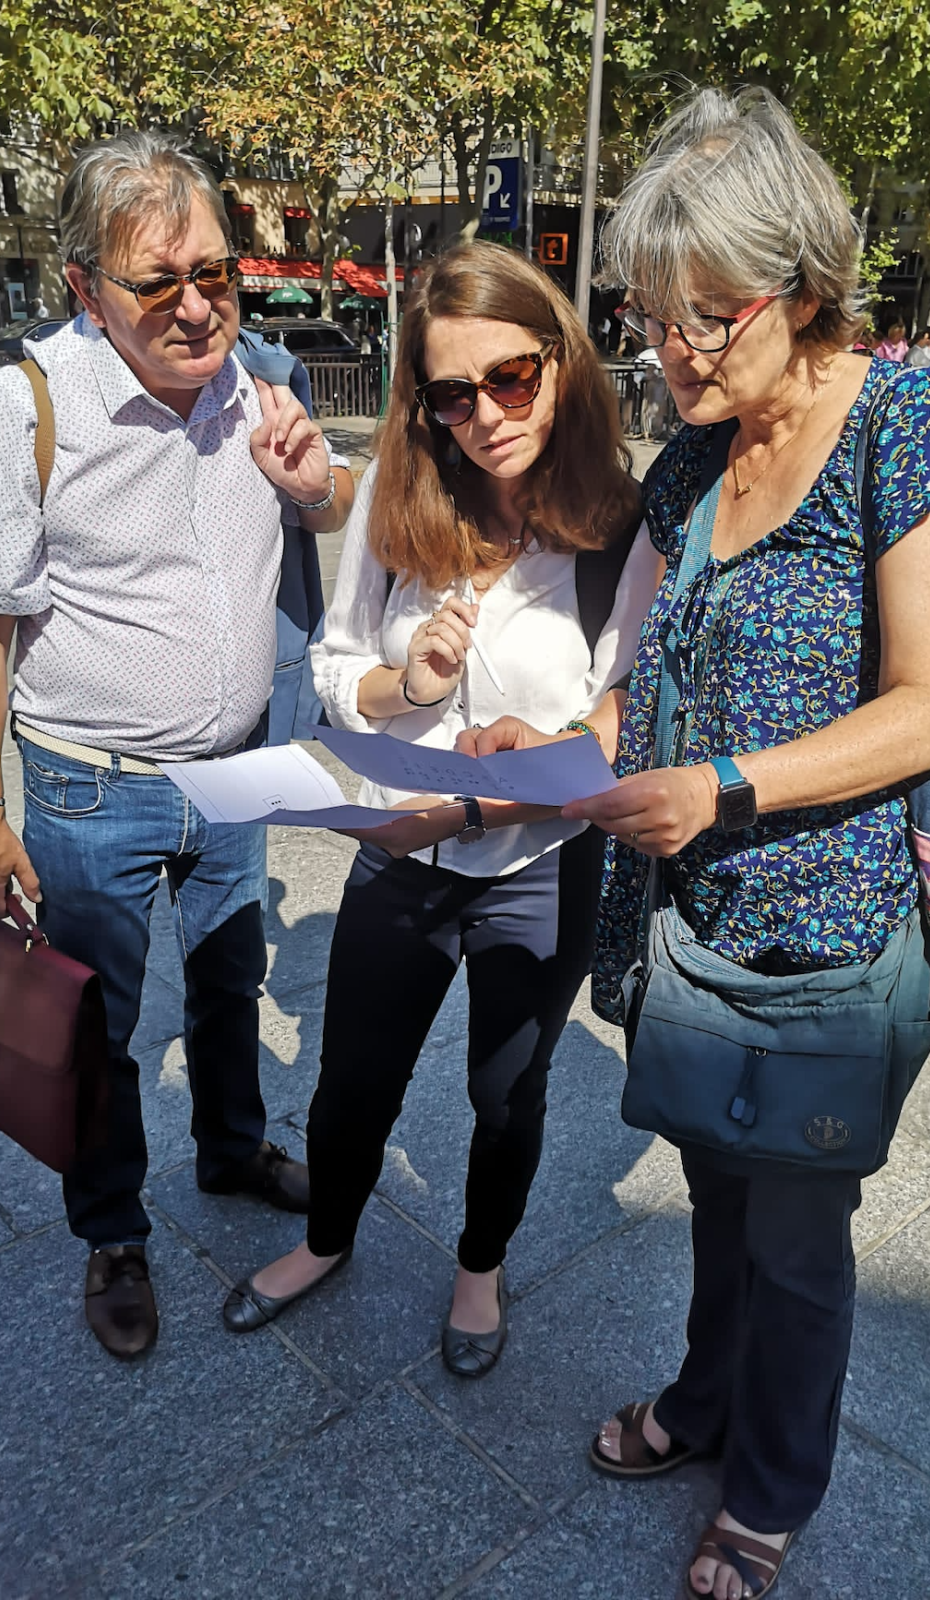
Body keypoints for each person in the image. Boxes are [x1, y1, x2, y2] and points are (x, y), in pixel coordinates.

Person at [468, 88, 930, 1598]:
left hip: (825, 938)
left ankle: (771, 1483)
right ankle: (709, 1401)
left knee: (794, 1237)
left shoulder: (916, 430)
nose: (673, 355)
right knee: (718, 1198)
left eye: (709, 317)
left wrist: (719, 786)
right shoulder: (690, 461)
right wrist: (552, 748)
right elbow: (635, 685)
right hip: (687, 927)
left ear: (806, 287)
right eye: (656, 318)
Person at [0, 129, 354, 1360]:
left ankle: (229, 1150)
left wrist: (316, 489)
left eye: (216, 273)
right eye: (156, 282)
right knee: (97, 1024)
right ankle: (113, 1230)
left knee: (230, 980)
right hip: (86, 788)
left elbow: (330, 509)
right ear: (84, 286)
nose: (196, 307)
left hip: (233, 769)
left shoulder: (261, 376)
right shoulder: (20, 414)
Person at [221, 242, 658, 1377]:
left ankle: (479, 1264)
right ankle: (327, 1238)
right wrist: (406, 685)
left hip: (539, 866)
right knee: (355, 1075)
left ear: (560, 362)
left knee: (504, 1095)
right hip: (396, 861)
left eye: (510, 378)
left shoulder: (624, 531)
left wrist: (508, 777)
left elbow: (625, 712)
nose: (484, 416)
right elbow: (331, 670)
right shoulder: (398, 499)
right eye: (452, 393)